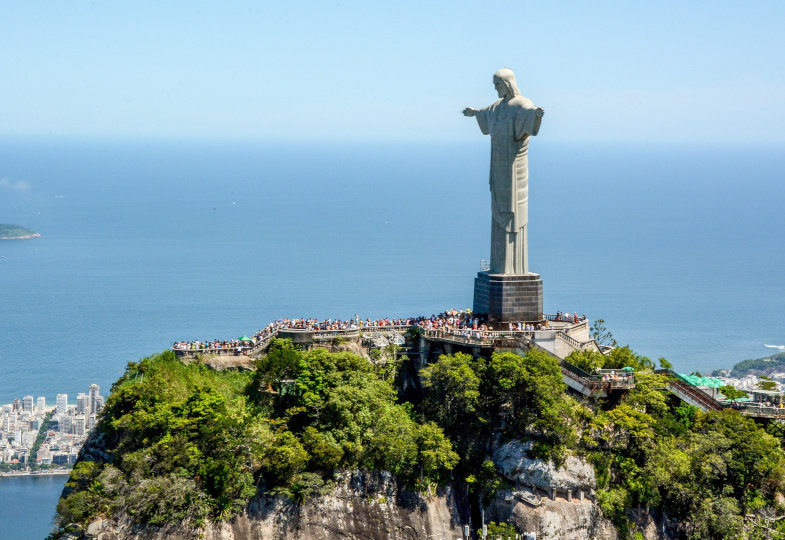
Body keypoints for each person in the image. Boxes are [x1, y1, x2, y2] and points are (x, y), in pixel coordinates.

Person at [464, 68, 544, 275]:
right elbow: (486, 114)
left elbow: (529, 118)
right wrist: (474, 113)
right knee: (499, 209)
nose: (495, 89)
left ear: (507, 83)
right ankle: (501, 267)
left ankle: (514, 269)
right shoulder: (498, 107)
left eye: (497, 85)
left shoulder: (521, 104)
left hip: (514, 169)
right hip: (498, 169)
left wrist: (535, 115)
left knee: (514, 212)